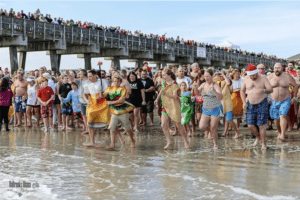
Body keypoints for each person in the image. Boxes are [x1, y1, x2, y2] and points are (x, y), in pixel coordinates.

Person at [241, 63, 273, 150]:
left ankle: (263, 143)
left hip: (261, 102)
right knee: (250, 125)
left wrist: (263, 90)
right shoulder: (247, 79)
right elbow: (242, 91)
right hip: (250, 103)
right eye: (250, 75)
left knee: (261, 125)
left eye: (253, 75)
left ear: (256, 73)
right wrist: (244, 102)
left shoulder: (263, 78)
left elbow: (271, 89)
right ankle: (257, 136)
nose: (251, 77)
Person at [155, 68, 189, 149]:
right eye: (162, 75)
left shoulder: (175, 84)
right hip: (165, 106)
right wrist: (157, 99)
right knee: (163, 125)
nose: (163, 77)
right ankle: (169, 141)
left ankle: (185, 140)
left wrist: (165, 94)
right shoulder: (163, 83)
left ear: (169, 75)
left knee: (178, 125)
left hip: (174, 106)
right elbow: (161, 91)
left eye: (164, 75)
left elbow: (175, 97)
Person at [103, 74, 135, 149]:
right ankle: (112, 144)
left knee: (127, 128)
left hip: (123, 112)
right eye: (114, 81)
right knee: (112, 127)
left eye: (117, 81)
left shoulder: (122, 89)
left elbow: (122, 100)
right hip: (114, 112)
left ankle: (132, 140)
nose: (116, 83)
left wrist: (111, 103)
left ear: (120, 82)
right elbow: (103, 96)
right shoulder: (109, 89)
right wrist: (101, 93)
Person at [268, 63, 298, 141]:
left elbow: (295, 86)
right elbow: (264, 87)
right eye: (275, 68)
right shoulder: (270, 77)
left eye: (278, 68)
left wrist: (294, 97)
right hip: (274, 101)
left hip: (285, 99)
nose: (277, 69)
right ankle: (279, 132)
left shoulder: (287, 76)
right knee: (276, 119)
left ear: (282, 68)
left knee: (283, 116)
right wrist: (266, 97)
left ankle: (283, 134)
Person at [83, 69, 110, 147]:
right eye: (88, 76)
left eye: (91, 76)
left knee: (109, 122)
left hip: (102, 103)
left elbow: (107, 91)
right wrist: (86, 100)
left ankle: (117, 140)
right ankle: (92, 142)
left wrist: (103, 94)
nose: (89, 78)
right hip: (92, 103)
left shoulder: (103, 81)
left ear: (95, 75)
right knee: (90, 122)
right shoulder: (87, 83)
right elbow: (84, 94)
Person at [198, 68, 223, 149]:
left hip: (215, 109)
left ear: (212, 76)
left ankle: (215, 144)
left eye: (208, 76)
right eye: (205, 76)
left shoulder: (215, 85)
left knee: (213, 129)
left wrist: (214, 91)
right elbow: (197, 93)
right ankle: (210, 130)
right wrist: (195, 88)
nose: (206, 78)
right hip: (205, 109)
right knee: (201, 127)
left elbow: (221, 96)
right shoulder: (203, 85)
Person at [215, 72, 240, 138]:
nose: (219, 77)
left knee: (229, 119)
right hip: (219, 104)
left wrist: (224, 76)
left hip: (227, 102)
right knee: (220, 119)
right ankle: (224, 132)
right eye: (218, 75)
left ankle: (236, 131)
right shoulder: (216, 83)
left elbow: (228, 83)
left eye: (220, 75)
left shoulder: (225, 82)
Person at [78, 69, 89, 135]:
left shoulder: (88, 81)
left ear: (84, 75)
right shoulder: (81, 81)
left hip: (87, 101)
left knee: (88, 116)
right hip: (81, 101)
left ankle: (90, 129)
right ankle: (87, 129)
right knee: (84, 116)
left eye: (80, 74)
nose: (79, 75)